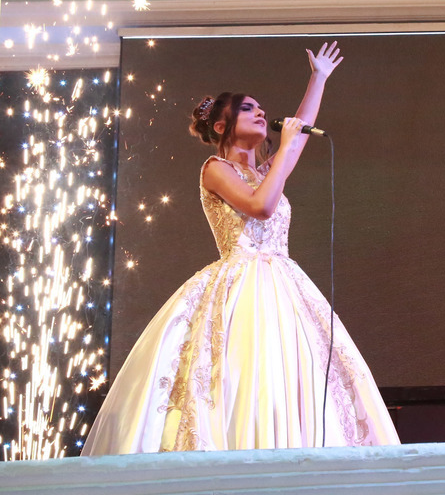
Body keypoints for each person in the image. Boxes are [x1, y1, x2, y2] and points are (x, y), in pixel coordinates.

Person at [82, 41, 399, 454]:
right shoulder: (215, 169)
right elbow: (260, 207)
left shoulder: (266, 171)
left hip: (283, 282)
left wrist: (318, 78)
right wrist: (285, 148)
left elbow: (297, 138)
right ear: (221, 126)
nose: (262, 113)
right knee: (244, 368)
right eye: (249, 109)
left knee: (292, 370)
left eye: (262, 109)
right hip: (242, 282)